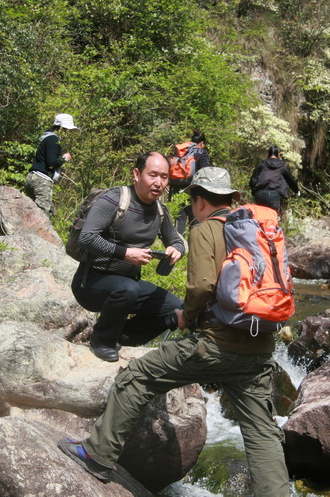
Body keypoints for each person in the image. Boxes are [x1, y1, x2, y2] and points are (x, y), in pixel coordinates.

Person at [59, 167, 291, 496]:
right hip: (260, 346)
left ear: (199, 201)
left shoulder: (206, 230)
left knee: (136, 377)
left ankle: (97, 455)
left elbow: (200, 287)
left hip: (215, 345)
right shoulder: (258, 230)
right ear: (231, 199)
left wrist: (190, 317)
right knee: (262, 431)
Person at [71, 151, 185, 362]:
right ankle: (102, 341)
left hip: (127, 286)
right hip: (91, 283)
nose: (158, 182)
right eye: (152, 175)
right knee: (127, 288)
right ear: (136, 174)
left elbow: (176, 239)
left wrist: (177, 249)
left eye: (164, 176)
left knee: (176, 308)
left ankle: (120, 337)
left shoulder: (160, 209)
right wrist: (124, 253)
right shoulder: (114, 200)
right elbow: (86, 238)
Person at [25, 113, 78, 217]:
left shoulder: (47, 138)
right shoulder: (53, 140)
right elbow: (52, 162)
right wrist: (65, 158)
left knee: (40, 213)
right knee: (42, 215)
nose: (68, 133)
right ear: (61, 128)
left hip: (33, 177)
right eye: (67, 130)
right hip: (41, 180)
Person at [170, 129, 212, 235]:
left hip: (176, 189)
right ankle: (194, 248)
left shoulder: (181, 151)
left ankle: (179, 248)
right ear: (202, 143)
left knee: (179, 220)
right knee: (195, 221)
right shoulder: (202, 152)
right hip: (194, 190)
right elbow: (205, 172)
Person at [248, 145, 299, 213]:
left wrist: (254, 192)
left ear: (268, 154)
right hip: (274, 195)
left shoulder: (261, 164)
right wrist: (297, 190)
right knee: (272, 218)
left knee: (259, 216)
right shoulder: (283, 166)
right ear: (279, 154)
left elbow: (253, 180)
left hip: (259, 194)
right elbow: (291, 181)